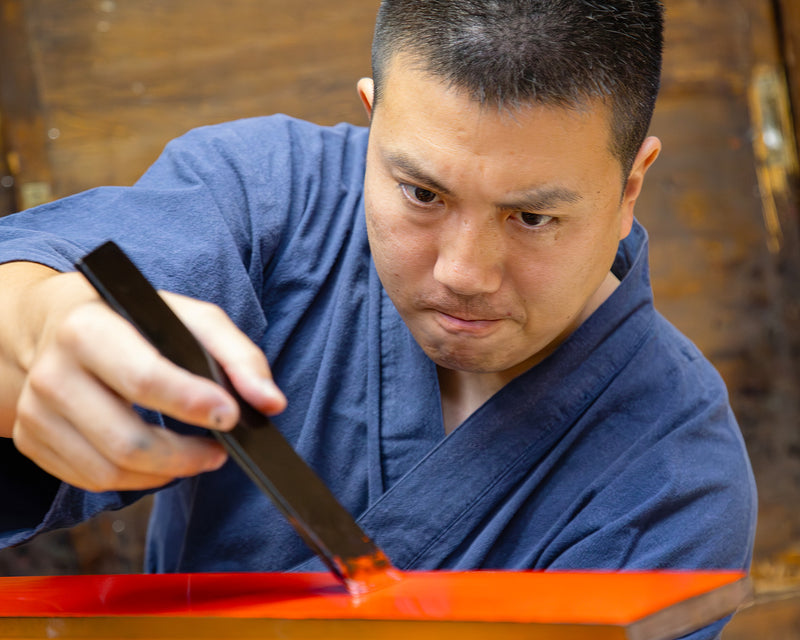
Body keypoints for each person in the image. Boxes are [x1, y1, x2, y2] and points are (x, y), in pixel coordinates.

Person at [0, 1, 755, 637]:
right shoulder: (272, 202)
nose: (463, 273)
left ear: (631, 187)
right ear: (373, 118)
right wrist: (35, 325)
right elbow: (48, 277)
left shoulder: (678, 477)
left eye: (531, 216)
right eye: (422, 194)